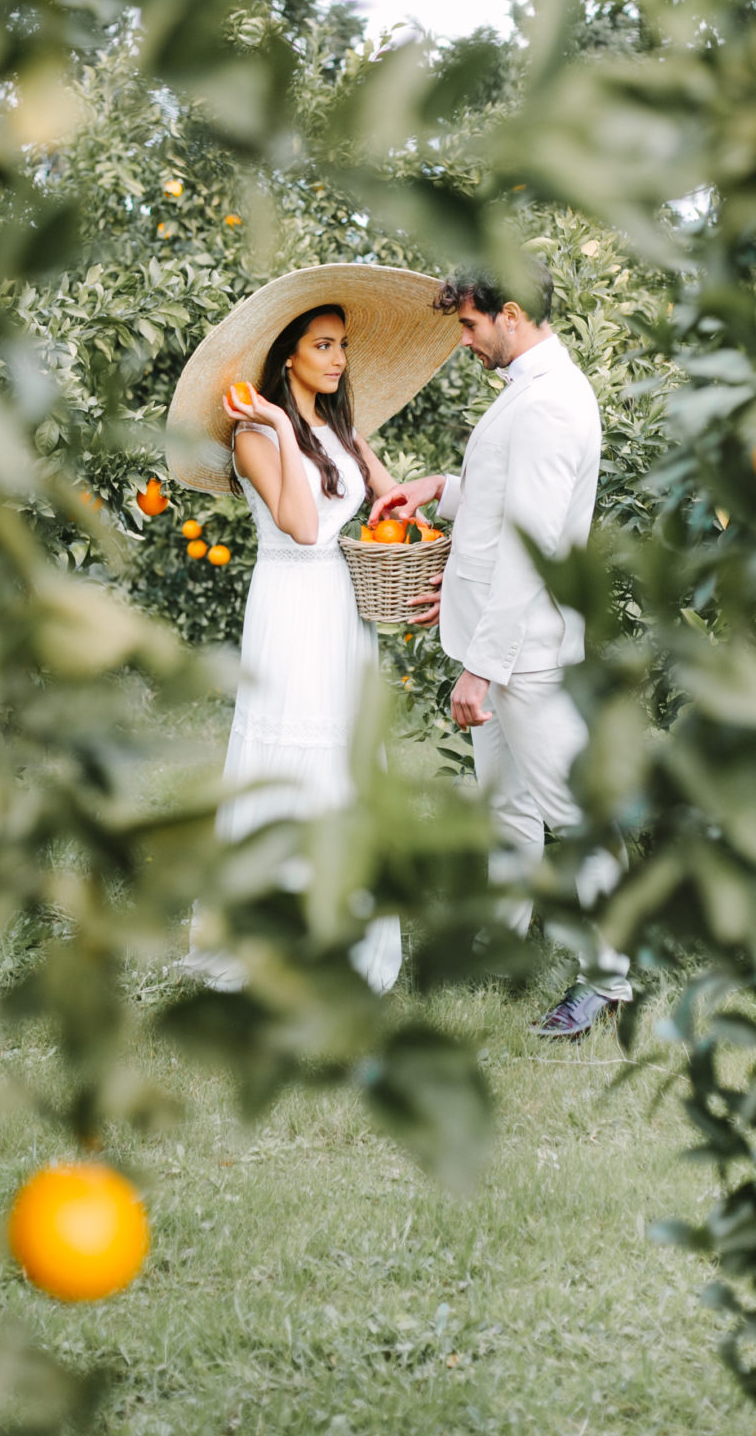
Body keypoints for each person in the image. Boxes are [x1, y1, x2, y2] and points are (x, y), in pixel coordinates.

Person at [165, 265, 460, 995]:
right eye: (324, 345)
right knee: (290, 751)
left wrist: (406, 520)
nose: (339, 359)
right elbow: (300, 526)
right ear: (288, 354)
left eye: (343, 346)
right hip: (292, 603)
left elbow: (388, 497)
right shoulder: (252, 439)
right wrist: (271, 424)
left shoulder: (340, 428)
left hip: (343, 602)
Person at [370, 260, 632, 1039]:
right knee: (508, 809)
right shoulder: (531, 392)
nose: (465, 340)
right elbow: (502, 495)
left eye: (469, 325)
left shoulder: (552, 403)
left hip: (527, 653)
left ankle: (611, 977)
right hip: (501, 641)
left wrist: (481, 669)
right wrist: (438, 489)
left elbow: (530, 544)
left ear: (510, 315)